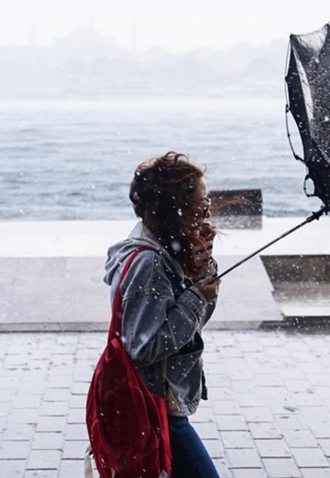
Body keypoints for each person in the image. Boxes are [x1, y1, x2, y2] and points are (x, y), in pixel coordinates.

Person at [103, 151, 221, 478]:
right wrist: (197, 297)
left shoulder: (164, 249)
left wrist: (201, 268)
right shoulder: (149, 263)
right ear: (175, 210)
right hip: (154, 403)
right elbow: (144, 347)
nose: (206, 213)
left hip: (157, 401)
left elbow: (192, 324)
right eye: (200, 206)